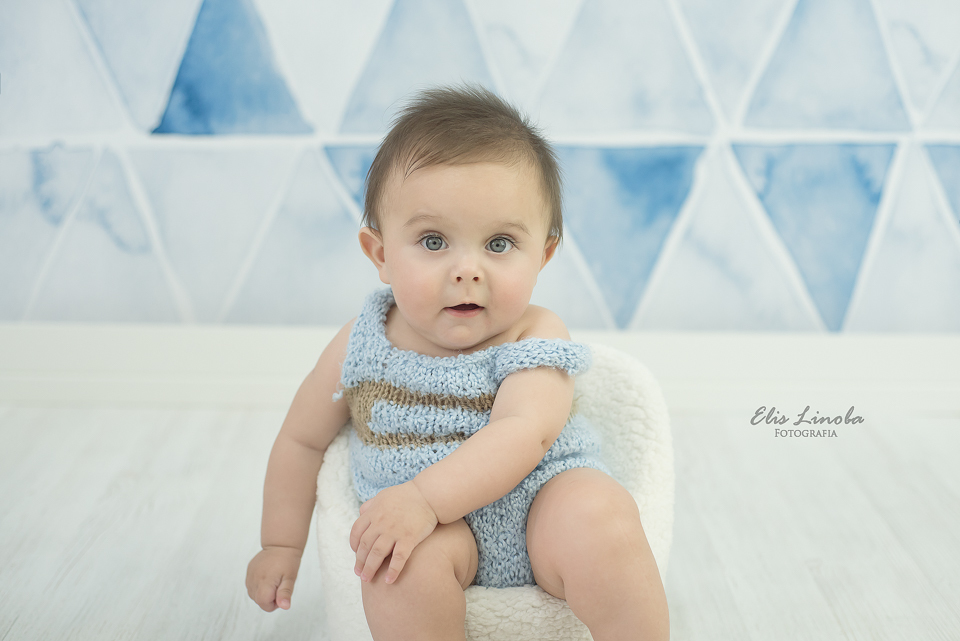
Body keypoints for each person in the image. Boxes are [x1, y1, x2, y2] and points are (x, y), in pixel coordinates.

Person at [246, 83, 669, 641]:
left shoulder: (534, 332)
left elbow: (524, 433)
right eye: (433, 241)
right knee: (395, 570)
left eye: (499, 244)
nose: (468, 270)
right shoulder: (361, 344)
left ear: (542, 255)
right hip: (430, 533)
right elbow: (301, 440)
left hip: (539, 506)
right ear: (380, 254)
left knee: (599, 516)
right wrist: (280, 544)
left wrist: (425, 497)